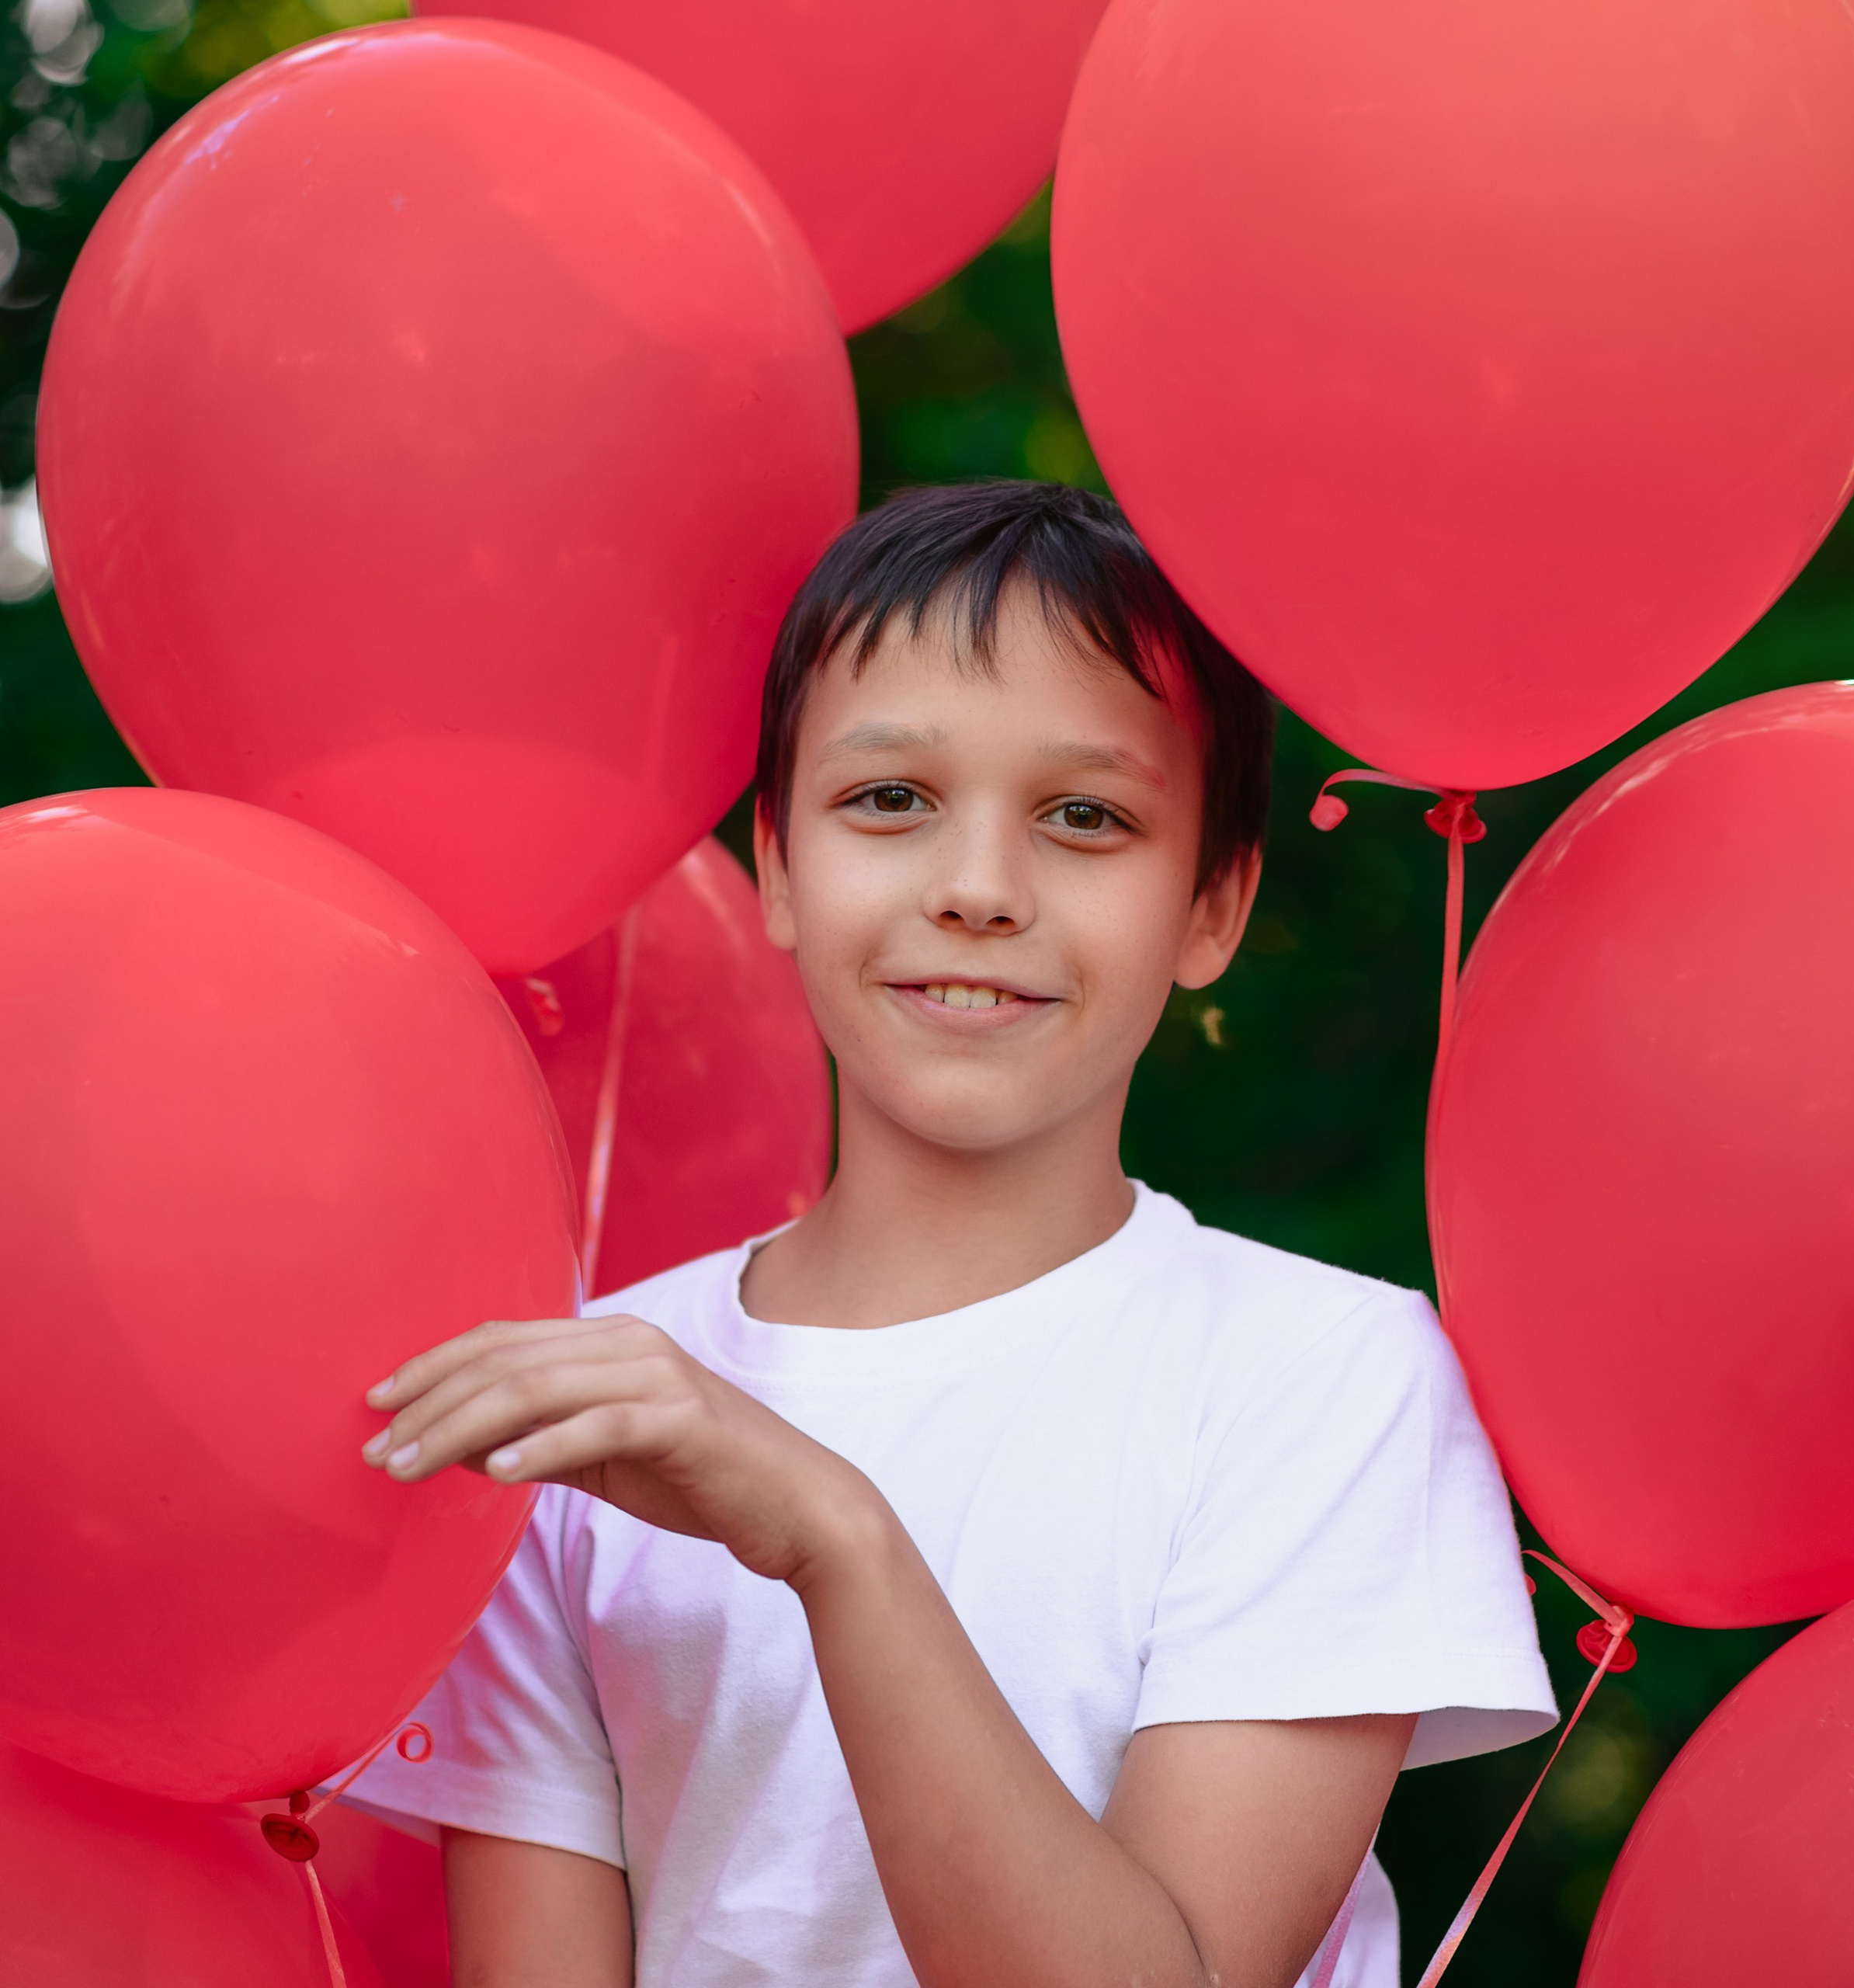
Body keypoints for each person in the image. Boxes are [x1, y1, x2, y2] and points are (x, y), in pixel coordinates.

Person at [349, 481, 1554, 1988]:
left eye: (1084, 816)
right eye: (888, 800)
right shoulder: (586, 1415)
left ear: (1211, 905)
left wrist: (835, 1540)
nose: (977, 887)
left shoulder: (1320, 1374)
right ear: (776, 864)